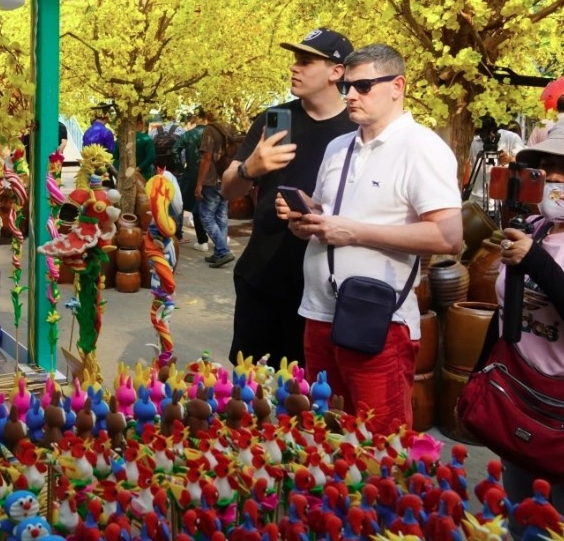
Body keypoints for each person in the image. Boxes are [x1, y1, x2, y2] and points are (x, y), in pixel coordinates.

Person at [283, 43, 462, 434]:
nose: (350, 95)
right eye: (347, 85)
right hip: (319, 311)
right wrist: (306, 221)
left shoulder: (422, 147)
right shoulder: (338, 147)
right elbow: (332, 214)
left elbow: (449, 236)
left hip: (377, 320)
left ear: (397, 86)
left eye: (362, 86)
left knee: (379, 445)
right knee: (325, 435)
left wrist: (354, 232)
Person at [220, 27, 357, 368]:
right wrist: (250, 168)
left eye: (306, 61)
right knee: (249, 392)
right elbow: (227, 189)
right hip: (261, 279)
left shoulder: (357, 130)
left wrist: (317, 210)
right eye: (295, 60)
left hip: (325, 291)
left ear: (336, 72)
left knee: (310, 398)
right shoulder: (273, 119)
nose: (294, 68)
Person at [495, 129, 564, 527]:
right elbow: (506, 309)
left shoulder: (533, 245)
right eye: (547, 167)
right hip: (521, 398)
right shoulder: (533, 227)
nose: (553, 177)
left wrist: (536, 262)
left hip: (560, 413)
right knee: (519, 512)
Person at [195, 112, 234, 268]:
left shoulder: (210, 130)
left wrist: (199, 183)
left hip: (211, 180)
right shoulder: (231, 128)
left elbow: (206, 159)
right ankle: (219, 252)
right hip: (227, 177)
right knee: (221, 217)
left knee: (206, 217)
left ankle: (223, 251)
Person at [464, 116, 524, 213]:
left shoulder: (511, 138)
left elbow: (523, 162)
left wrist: (510, 160)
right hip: (476, 201)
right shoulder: (475, 141)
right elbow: (469, 167)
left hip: (502, 202)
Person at [174, 111, 209, 251]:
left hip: (193, 174)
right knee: (218, 207)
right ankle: (221, 238)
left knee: (196, 206)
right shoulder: (213, 134)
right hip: (212, 175)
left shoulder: (188, 134)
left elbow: (175, 150)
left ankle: (202, 240)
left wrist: (181, 168)